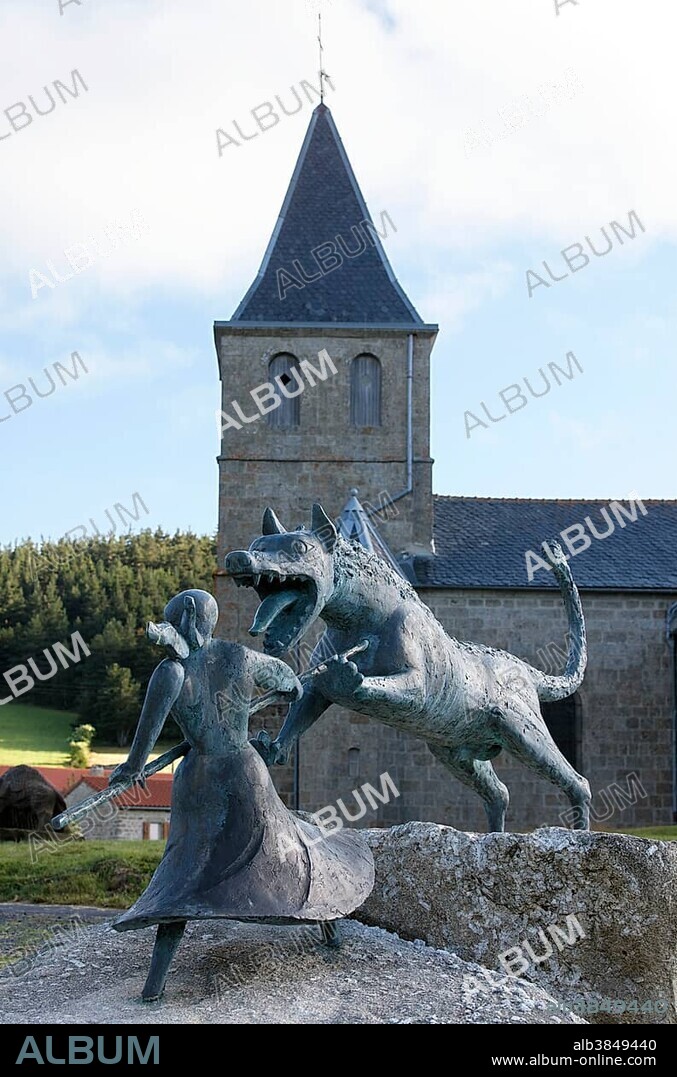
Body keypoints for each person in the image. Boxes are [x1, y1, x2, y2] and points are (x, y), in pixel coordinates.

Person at [109, 589, 374, 1001]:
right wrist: (257, 702)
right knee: (286, 848)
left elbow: (140, 751)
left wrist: (130, 771)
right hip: (246, 770)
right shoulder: (242, 657)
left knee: (185, 872)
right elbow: (293, 688)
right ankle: (327, 925)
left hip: (200, 778)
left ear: (186, 618)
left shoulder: (171, 673)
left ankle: (154, 984)